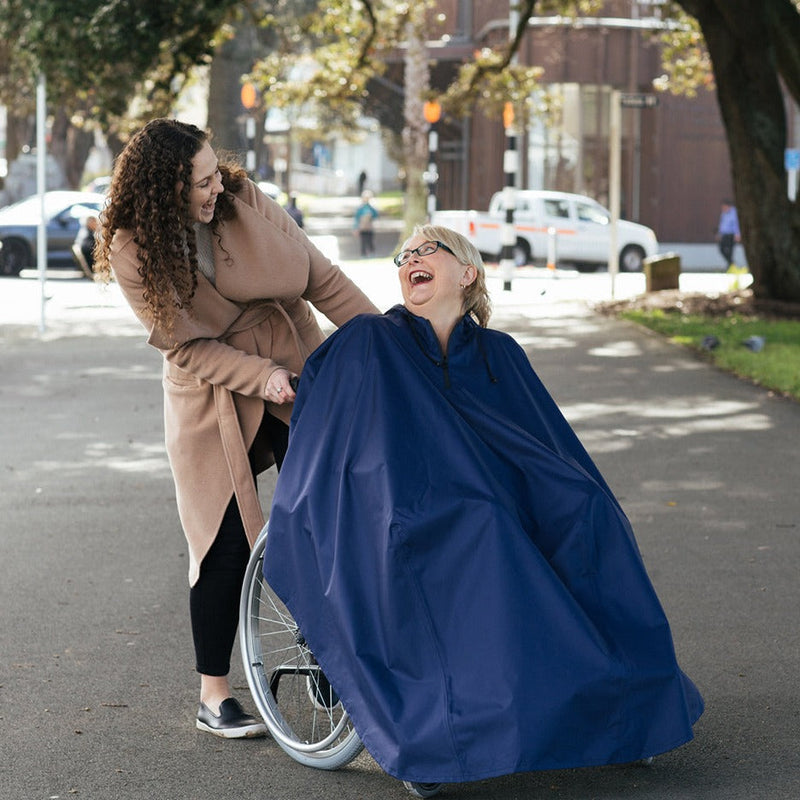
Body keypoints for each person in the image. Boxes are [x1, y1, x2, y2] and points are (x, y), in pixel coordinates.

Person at [263, 224, 704, 784]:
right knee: (483, 524)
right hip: (397, 494)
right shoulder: (373, 339)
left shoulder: (499, 353)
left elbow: (545, 442)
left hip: (496, 487)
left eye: (429, 250)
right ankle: (444, 737)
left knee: (590, 511)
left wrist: (565, 491)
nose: (412, 260)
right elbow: (341, 436)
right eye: (406, 255)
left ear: (467, 273)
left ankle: (623, 701)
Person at [93, 118, 378, 739]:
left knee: (330, 512)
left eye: (214, 171)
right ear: (164, 189)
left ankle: (338, 652)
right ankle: (214, 696)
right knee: (221, 544)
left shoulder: (243, 200)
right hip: (210, 392)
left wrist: (387, 341)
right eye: (200, 181)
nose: (215, 187)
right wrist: (261, 375)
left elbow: (321, 279)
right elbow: (183, 346)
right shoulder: (130, 247)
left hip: (292, 359)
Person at [716, 199, 741, 268]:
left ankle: (731, 265)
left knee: (730, 250)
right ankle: (731, 263)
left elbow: (736, 224)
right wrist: (719, 233)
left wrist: (737, 234)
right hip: (725, 234)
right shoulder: (724, 213)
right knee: (721, 248)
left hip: (732, 235)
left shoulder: (734, 213)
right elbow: (722, 224)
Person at [353, 190, 378, 257]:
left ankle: (372, 252)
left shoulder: (371, 208)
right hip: (362, 228)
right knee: (363, 241)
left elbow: (375, 215)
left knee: (370, 240)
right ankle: (363, 254)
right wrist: (355, 228)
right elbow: (356, 219)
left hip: (369, 228)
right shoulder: (360, 209)